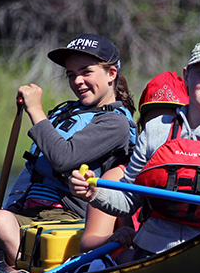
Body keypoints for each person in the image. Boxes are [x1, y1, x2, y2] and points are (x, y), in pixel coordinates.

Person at [69, 40, 200, 263]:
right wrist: (93, 192)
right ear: (187, 76)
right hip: (151, 257)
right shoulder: (155, 132)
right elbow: (127, 199)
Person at [0, 33, 137, 267]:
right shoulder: (70, 112)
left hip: (69, 217)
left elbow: (63, 159)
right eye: (71, 75)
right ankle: (23, 267)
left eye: (86, 72)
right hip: (31, 212)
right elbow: (34, 169)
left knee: (1, 221)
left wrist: (35, 110)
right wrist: (11, 209)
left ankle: (26, 271)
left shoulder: (116, 123)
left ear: (111, 74)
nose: (77, 82)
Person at [79, 71, 189, 253]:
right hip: (132, 266)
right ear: (142, 127)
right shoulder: (116, 178)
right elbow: (87, 243)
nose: (160, 133)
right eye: (154, 123)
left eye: (171, 123)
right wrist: (113, 238)